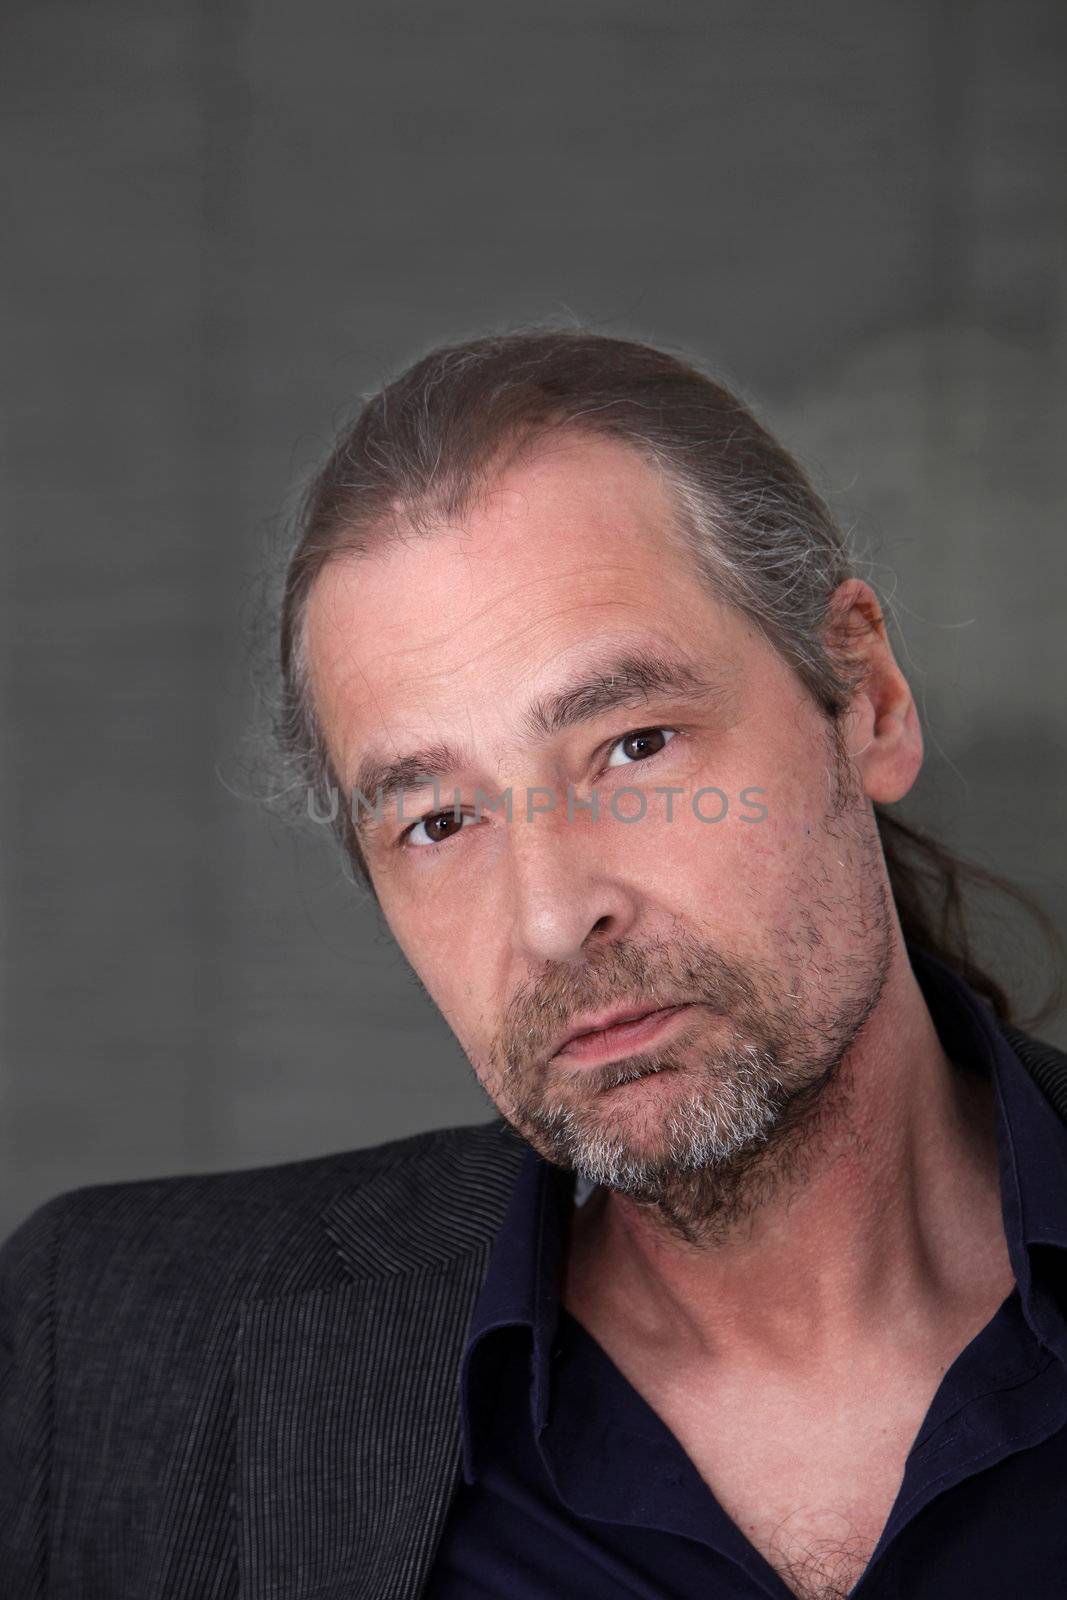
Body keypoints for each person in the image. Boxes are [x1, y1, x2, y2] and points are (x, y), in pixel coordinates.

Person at [3, 329, 1066, 1600]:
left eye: (633, 744)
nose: (555, 915)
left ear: (866, 697)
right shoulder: (107, 1350)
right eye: (438, 821)